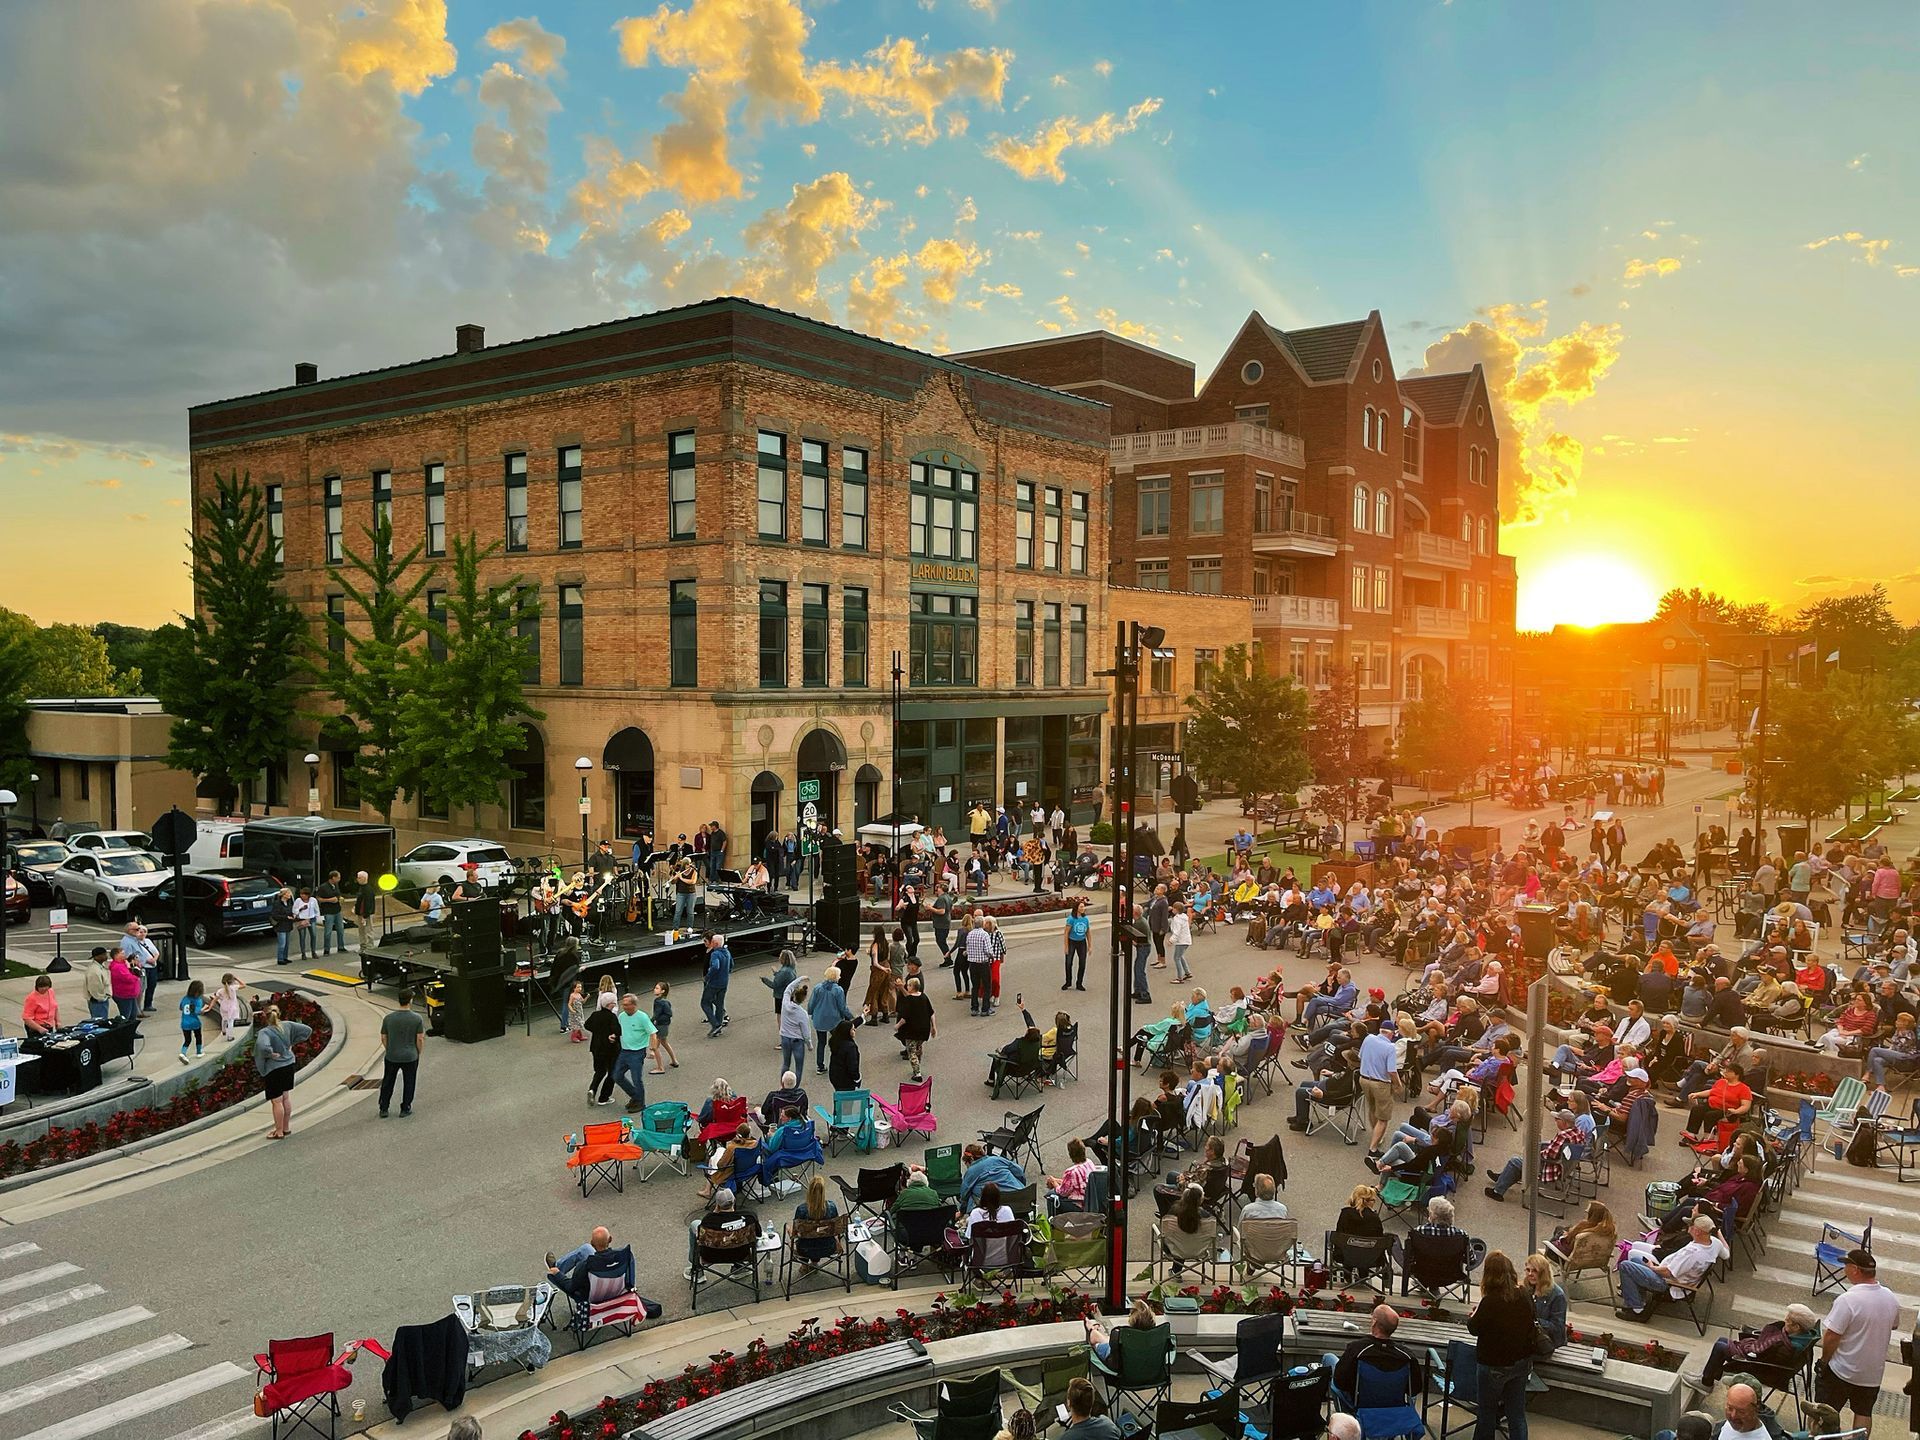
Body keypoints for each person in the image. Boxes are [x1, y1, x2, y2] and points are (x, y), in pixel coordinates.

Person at [1815, 1248, 1901, 1433]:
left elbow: (1832, 1336)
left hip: (1842, 1369)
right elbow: (1894, 1325)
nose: (1844, 1269)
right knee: (1863, 1412)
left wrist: (1824, 1361)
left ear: (1855, 1269)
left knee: (1824, 1411)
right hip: (1871, 1373)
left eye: (1846, 1265)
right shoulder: (1890, 1298)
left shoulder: (1848, 1300)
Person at [1467, 1250, 1537, 1440]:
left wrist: (1475, 1315)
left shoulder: (1490, 1301)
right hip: (1521, 1363)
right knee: (1516, 1414)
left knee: (1487, 1413)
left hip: (1494, 1365)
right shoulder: (1523, 1294)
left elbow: (1473, 1328)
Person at [1692, 1303, 1818, 1392]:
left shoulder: (1788, 1346)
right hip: (1768, 1363)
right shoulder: (1804, 1336)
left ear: (1797, 1327)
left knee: (1720, 1346)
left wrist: (1752, 1350)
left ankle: (1706, 1383)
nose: (1785, 1320)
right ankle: (1712, 1374)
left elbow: (1767, 1360)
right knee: (1722, 1341)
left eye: (1788, 1319)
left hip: (1763, 1369)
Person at [1322, 1304, 1425, 1413]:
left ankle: (1336, 1412)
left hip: (1359, 1407)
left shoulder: (1357, 1349)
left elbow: (1340, 1383)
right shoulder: (1407, 1356)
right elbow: (1415, 1389)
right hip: (1394, 1407)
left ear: (1374, 1322)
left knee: (1328, 1358)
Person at [1617, 1215, 1720, 1320]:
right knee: (1635, 1260)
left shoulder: (1692, 1253)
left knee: (1625, 1266)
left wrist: (1652, 1267)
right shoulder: (1713, 1243)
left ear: (1697, 1231)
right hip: (1674, 1277)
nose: (1689, 1226)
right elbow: (1726, 1253)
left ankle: (1637, 1310)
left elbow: (1668, 1272)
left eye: (1691, 1225)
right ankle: (1639, 1300)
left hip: (1668, 1284)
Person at [255, 1003, 313, 1140]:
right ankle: (286, 1128)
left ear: (265, 1017)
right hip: (289, 1065)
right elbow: (307, 1030)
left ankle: (279, 1131)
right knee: (285, 1097)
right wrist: (291, 1043)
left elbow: (262, 1046)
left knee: (276, 1101)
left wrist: (270, 1054)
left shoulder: (265, 1032)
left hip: (274, 1068)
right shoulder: (287, 1025)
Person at [685, 1187, 761, 1276]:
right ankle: (739, 1267)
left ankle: (696, 1270)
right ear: (734, 1200)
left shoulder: (708, 1221)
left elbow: (700, 1238)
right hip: (741, 1254)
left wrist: (714, 1213)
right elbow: (758, 1234)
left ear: (717, 1205)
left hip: (711, 1256)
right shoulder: (749, 1216)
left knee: (695, 1223)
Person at [377, 988, 427, 1118]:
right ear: (410, 1000)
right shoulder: (417, 1019)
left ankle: (384, 1107)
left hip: (392, 1056)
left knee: (388, 1081)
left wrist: (390, 1049)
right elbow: (420, 1038)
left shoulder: (388, 1018)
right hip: (410, 1056)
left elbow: (383, 1037)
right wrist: (417, 1052)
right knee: (409, 1082)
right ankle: (405, 1108)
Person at [610, 993, 657, 1113]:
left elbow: (653, 1033)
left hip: (637, 1052)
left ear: (634, 1005)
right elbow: (620, 1030)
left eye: (626, 1005)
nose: (624, 1007)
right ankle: (635, 1096)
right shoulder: (621, 1016)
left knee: (637, 1079)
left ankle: (640, 1103)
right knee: (617, 1076)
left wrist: (652, 1050)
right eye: (623, 1004)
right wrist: (614, 1036)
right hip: (624, 1051)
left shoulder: (642, 1017)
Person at [545, 1225, 616, 1301]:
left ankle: (555, 1269)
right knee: (586, 1249)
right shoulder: (622, 1258)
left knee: (553, 1275)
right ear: (610, 1239)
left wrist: (558, 1274)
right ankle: (556, 1267)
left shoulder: (585, 1266)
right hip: (613, 1293)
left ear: (592, 1243)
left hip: (591, 1298)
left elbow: (570, 1287)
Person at [807, 967, 856, 1075]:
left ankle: (820, 1066)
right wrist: (851, 1017)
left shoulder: (818, 988)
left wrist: (810, 1012)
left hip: (819, 1019)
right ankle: (838, 1064)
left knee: (821, 1043)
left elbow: (811, 1004)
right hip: (834, 1021)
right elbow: (842, 1007)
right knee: (837, 1043)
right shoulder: (838, 990)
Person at [1545, 1201, 1617, 1273]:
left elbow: (1568, 1240)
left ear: (1592, 1214)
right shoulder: (1608, 1231)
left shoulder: (1582, 1228)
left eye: (1588, 1211)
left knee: (1558, 1231)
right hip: (1593, 1260)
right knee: (1563, 1229)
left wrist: (1566, 1235)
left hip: (1566, 1259)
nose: (1586, 1211)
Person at [787, 1174, 842, 1268]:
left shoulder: (802, 1209)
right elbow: (836, 1229)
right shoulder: (832, 1207)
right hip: (829, 1247)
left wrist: (787, 1229)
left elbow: (795, 1233)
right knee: (819, 1232)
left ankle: (804, 1265)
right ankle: (814, 1263)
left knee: (793, 1230)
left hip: (805, 1249)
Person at [1084, 1298, 1161, 1363]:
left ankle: (1092, 1330)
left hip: (1121, 1368)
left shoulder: (1124, 1337)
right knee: (1111, 1340)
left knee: (1100, 1344)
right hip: (1152, 1374)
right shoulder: (1158, 1339)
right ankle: (1096, 1333)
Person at [958, 1141, 1026, 1211]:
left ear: (971, 1159)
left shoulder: (971, 1171)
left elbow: (964, 1194)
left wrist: (962, 1211)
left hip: (999, 1206)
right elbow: (1019, 1171)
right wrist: (1022, 1184)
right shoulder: (996, 1159)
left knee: (971, 1193)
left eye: (966, 1163)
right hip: (1022, 1196)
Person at [895, 976, 935, 1080]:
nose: (907, 986)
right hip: (924, 1029)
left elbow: (905, 1017)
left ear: (912, 987)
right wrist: (933, 1027)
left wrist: (897, 1025)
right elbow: (931, 1012)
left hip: (912, 1030)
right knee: (918, 1047)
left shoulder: (909, 1000)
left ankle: (917, 1073)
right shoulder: (924, 997)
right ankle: (918, 1066)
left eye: (908, 985)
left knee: (911, 1051)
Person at [1525, 1253, 1568, 1351]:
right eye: (1528, 1270)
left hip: (1547, 1342)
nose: (1530, 1274)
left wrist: (1534, 1321)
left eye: (1534, 1271)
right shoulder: (1527, 1288)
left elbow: (1557, 1328)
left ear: (1543, 1273)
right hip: (1529, 1338)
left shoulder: (1557, 1295)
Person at [586, 993, 622, 1105]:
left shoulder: (595, 1015)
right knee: (612, 1072)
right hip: (610, 1049)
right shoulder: (611, 1017)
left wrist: (597, 1031)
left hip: (596, 1047)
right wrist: (612, 1035)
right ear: (610, 1004)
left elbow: (587, 1025)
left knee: (600, 1070)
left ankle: (592, 1089)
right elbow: (618, 1031)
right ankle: (604, 1097)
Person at [701, 931, 733, 1039]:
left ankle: (715, 1024)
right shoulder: (727, 952)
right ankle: (718, 1028)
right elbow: (731, 964)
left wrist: (708, 977)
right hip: (724, 982)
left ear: (715, 943)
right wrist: (726, 973)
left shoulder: (715, 954)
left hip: (714, 983)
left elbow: (715, 966)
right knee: (719, 1004)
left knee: (705, 1002)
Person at [779, 979, 812, 1081]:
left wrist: (800, 979)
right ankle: (795, 1088)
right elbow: (806, 1032)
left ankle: (783, 1085)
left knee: (786, 1063)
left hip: (785, 1037)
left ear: (793, 996)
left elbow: (788, 989)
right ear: (803, 999)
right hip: (797, 1040)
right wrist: (809, 1044)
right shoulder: (802, 1013)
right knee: (798, 1067)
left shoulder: (785, 1004)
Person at [1063, 899, 1091, 991]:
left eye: (1083, 906)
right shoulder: (1071, 919)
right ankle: (1068, 981)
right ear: (1077, 908)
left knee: (1082, 963)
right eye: (1081, 907)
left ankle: (1079, 983)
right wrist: (1066, 946)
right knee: (1068, 962)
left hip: (1082, 942)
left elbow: (1088, 932)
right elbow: (1066, 933)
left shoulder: (1085, 919)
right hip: (1072, 941)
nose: (1083, 908)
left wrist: (1090, 945)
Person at [317, 870, 347, 955]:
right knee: (328, 931)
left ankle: (341, 946)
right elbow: (318, 898)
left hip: (337, 910)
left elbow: (337, 894)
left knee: (340, 929)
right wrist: (329, 900)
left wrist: (339, 898)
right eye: (338, 877)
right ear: (333, 878)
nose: (339, 879)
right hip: (328, 911)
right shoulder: (323, 887)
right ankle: (326, 949)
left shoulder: (336, 885)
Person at [651, 981, 679, 1072]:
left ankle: (660, 1067)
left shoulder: (661, 1002)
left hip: (661, 1025)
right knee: (664, 1042)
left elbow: (667, 1013)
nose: (654, 989)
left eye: (657, 988)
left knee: (656, 1045)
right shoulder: (660, 1001)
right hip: (662, 1024)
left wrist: (653, 1020)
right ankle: (674, 1060)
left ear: (662, 991)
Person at [827, 1020, 861, 1093]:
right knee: (848, 1100)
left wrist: (861, 1017)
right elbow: (852, 1065)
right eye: (852, 1029)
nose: (854, 1030)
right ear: (847, 1031)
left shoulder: (836, 1041)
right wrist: (857, 1078)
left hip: (835, 1076)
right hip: (846, 1080)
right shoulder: (850, 1047)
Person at [178, 979, 206, 1061]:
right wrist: (203, 1010)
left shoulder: (185, 998)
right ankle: (199, 1052)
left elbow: (180, 1007)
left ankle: (183, 1053)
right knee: (198, 1036)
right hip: (195, 1022)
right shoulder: (198, 1000)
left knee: (187, 1040)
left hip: (185, 1023)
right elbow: (197, 1012)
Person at [83, 947, 112, 1021]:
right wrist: (101, 998)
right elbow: (94, 988)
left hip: (102, 1000)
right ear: (97, 957)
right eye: (103, 954)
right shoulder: (94, 971)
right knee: (99, 1022)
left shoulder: (100, 967)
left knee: (103, 1020)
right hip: (98, 1001)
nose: (106, 956)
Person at [270, 885, 295, 965]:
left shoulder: (289, 902)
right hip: (281, 925)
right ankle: (280, 959)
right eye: (288, 893)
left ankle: (285, 957)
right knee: (282, 944)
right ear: (284, 895)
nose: (290, 895)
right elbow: (275, 915)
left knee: (287, 944)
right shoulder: (277, 904)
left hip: (288, 925)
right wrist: (286, 917)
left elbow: (292, 910)